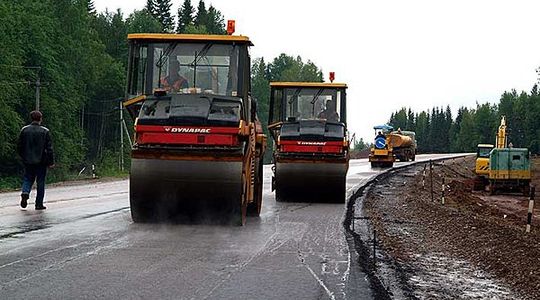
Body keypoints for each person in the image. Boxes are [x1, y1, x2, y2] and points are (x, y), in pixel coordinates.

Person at [17, 111, 54, 210]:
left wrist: (23, 157)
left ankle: (25, 192)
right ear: (40, 119)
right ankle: (38, 204)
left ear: (31, 118)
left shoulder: (24, 130)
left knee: (28, 178)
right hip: (41, 161)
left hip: (28, 160)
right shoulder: (45, 131)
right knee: (40, 181)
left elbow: (19, 146)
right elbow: (49, 148)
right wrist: (51, 162)